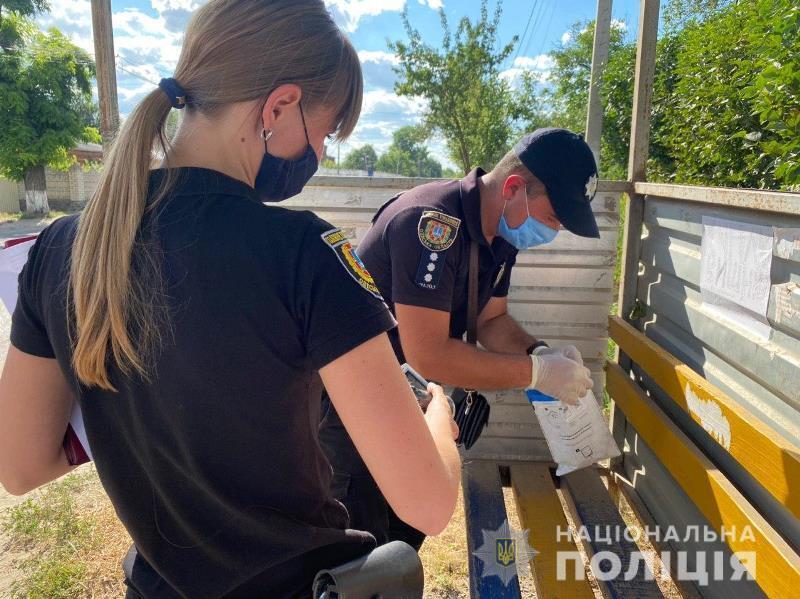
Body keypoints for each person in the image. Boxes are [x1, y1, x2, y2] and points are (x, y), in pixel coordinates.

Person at [0, 1, 461, 597]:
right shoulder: (304, 252)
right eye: (321, 134)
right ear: (278, 107)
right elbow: (428, 505)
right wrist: (439, 423)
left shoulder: (63, 246)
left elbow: (19, 466)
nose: (316, 158)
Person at [320, 127, 599, 550]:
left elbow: (493, 320)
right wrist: (537, 373)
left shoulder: (503, 231)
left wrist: (539, 352)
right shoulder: (430, 223)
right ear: (513, 188)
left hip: (410, 400)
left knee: (405, 536)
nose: (553, 232)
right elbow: (428, 354)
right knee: (362, 550)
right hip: (354, 410)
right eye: (553, 219)